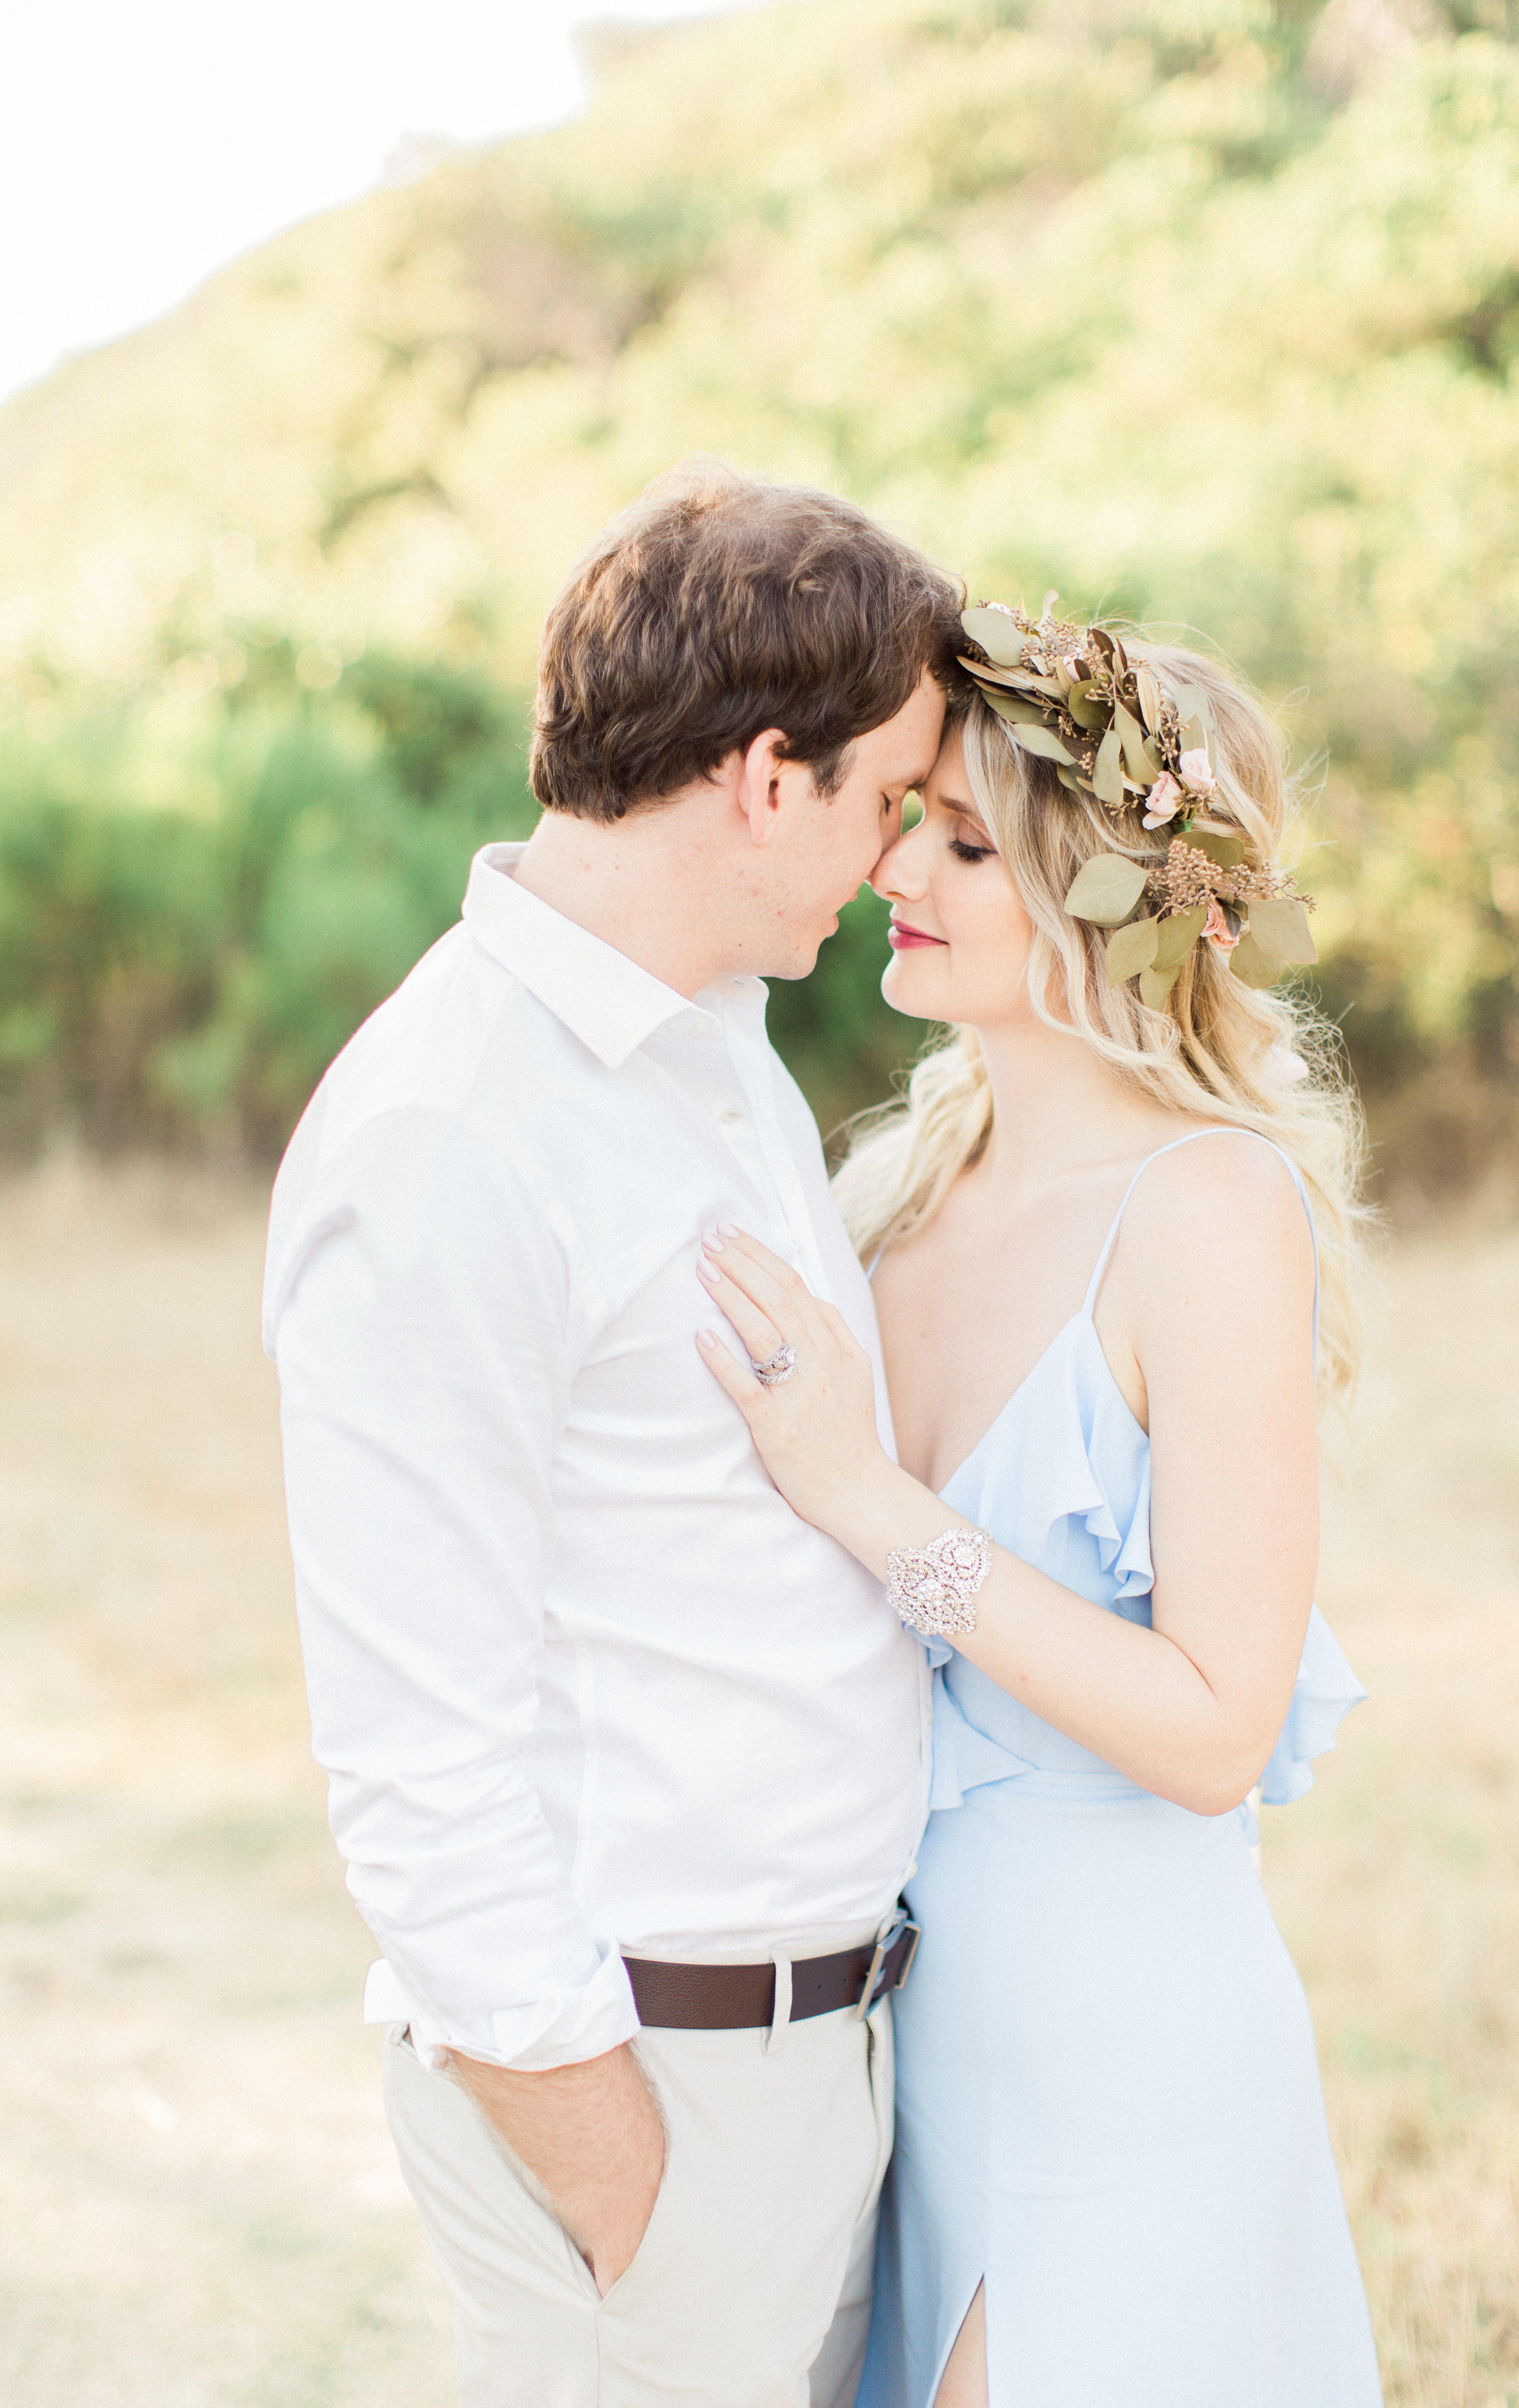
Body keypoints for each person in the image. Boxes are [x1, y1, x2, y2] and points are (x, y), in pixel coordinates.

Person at [262, 459, 963, 2408]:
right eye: (891, 798)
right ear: (764, 778)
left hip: (812, 2064)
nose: (900, 856)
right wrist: (641, 2195)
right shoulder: (449, 1136)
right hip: (649, 2101)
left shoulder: (711, 1040)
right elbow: (417, 1766)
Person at [693, 608, 1384, 2407]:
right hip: (898, 2043)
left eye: (968, 845)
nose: (897, 865)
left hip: (1129, 2044)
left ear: (1116, 904)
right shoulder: (892, 1187)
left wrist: (866, 1496)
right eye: (913, 816)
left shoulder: (1208, 1212)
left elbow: (1218, 1726)